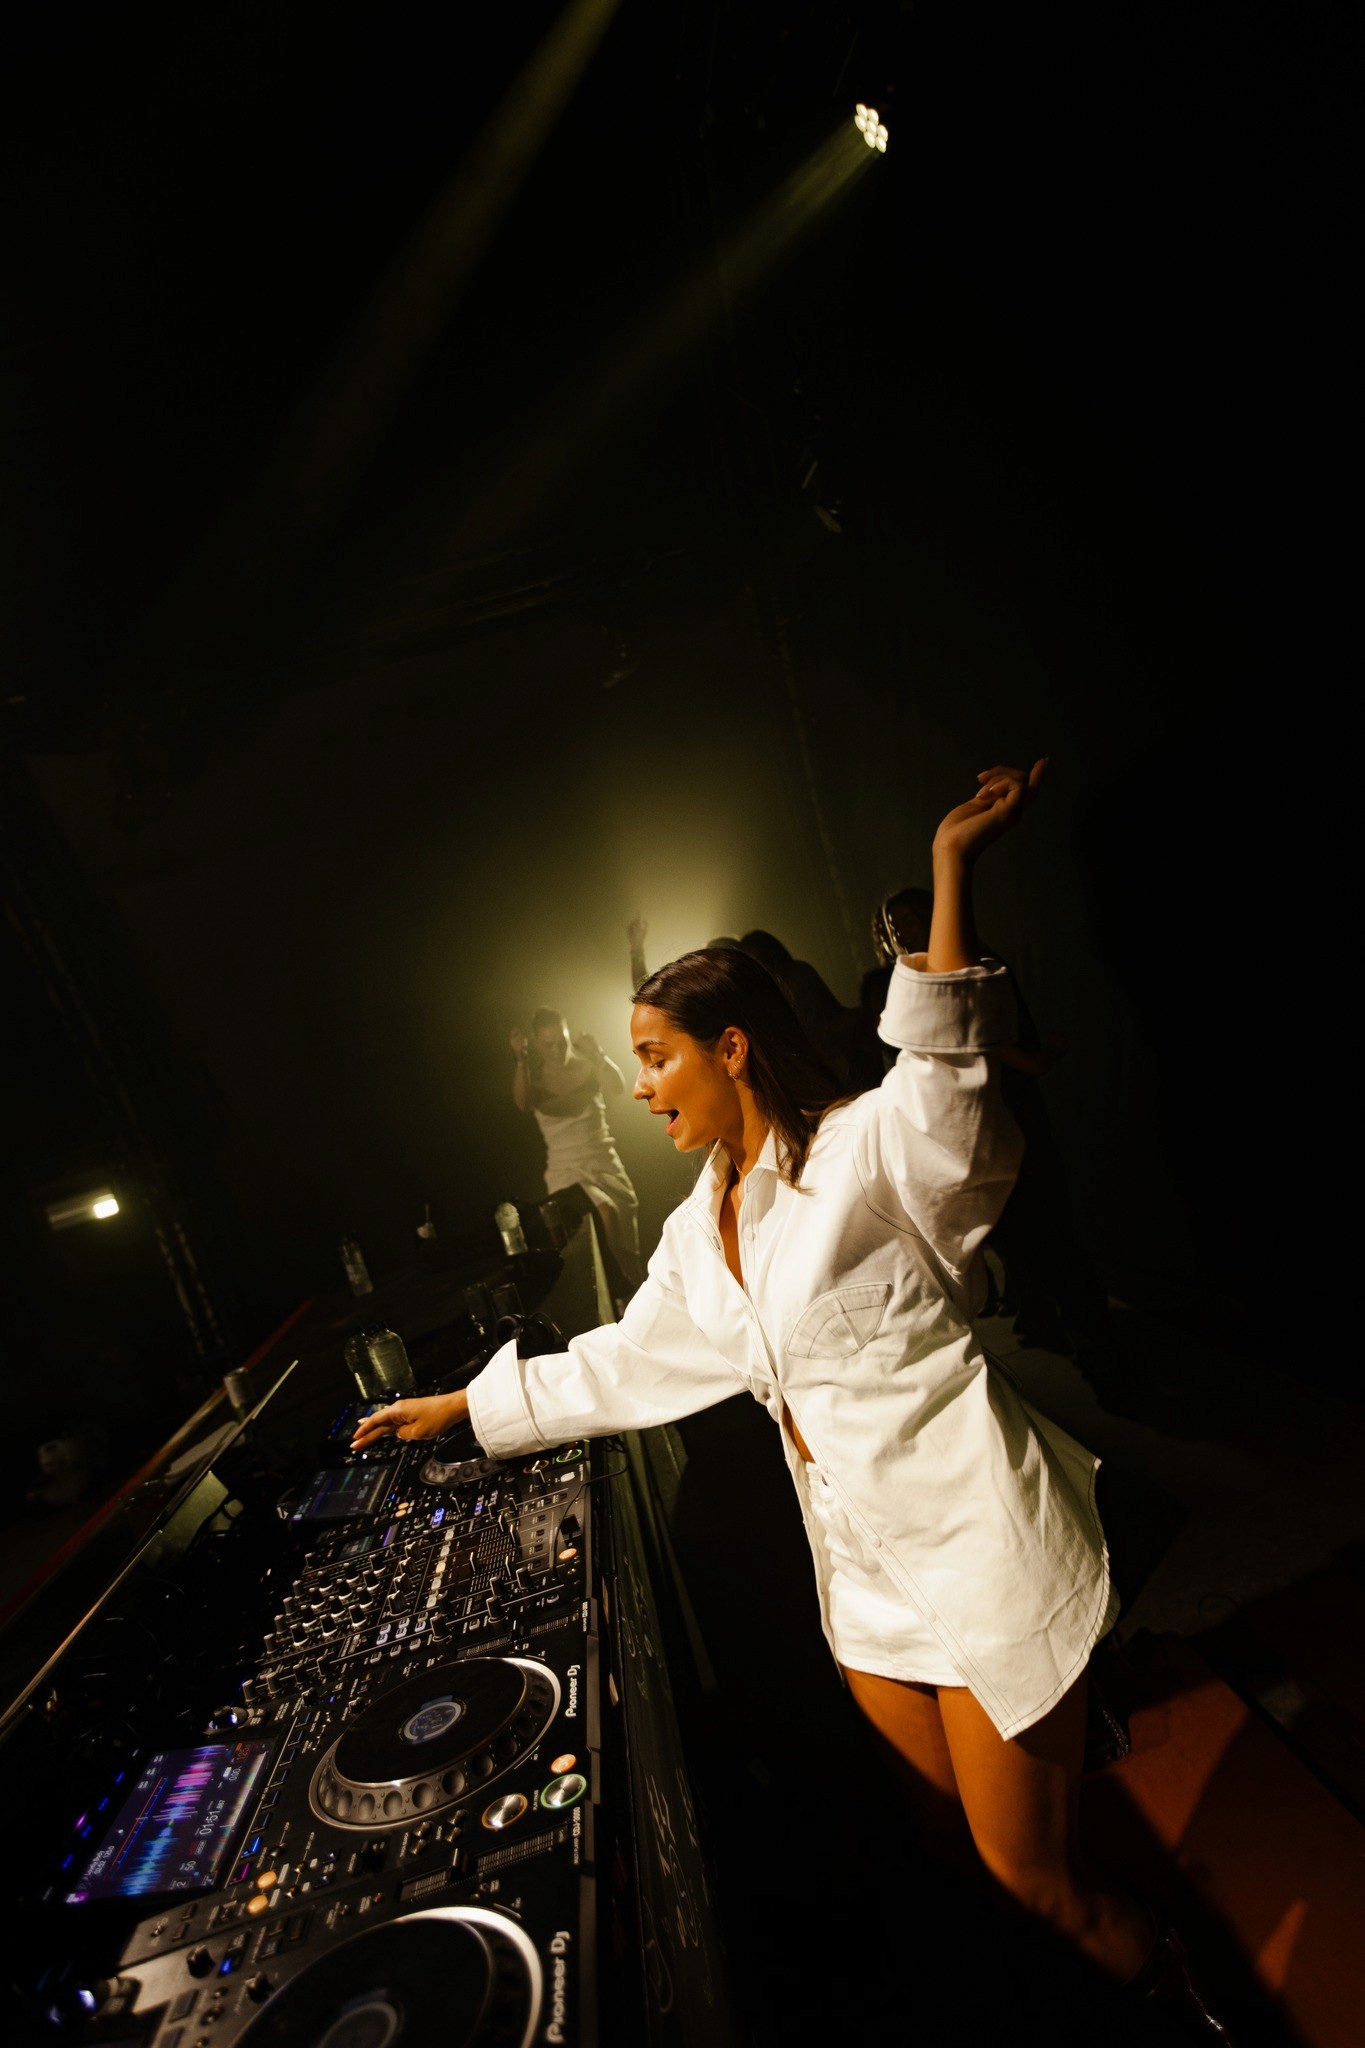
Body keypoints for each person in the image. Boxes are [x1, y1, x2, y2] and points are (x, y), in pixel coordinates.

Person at [359, 764, 1232, 2040]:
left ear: (733, 1045)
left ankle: (1189, 1998)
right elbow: (628, 1356)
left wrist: (950, 871)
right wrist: (462, 1407)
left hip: (979, 1543)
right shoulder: (696, 1224)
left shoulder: (867, 1147)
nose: (640, 1086)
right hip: (865, 1580)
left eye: (656, 1057)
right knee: (965, 1868)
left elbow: (950, 1085)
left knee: (1029, 1872)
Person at [509, 1007, 642, 1293]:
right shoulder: (533, 1077)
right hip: (566, 1170)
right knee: (605, 1210)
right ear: (536, 1043)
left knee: (624, 1227)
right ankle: (619, 1289)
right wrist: (520, 1059)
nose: (557, 1050)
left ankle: (629, 1292)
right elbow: (521, 1103)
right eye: (549, 1045)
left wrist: (598, 1055)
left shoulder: (586, 1065)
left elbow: (618, 1088)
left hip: (603, 1162)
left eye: (562, 1042)